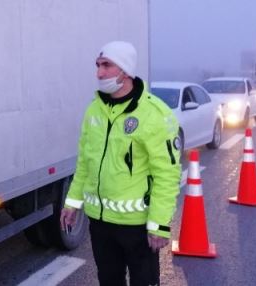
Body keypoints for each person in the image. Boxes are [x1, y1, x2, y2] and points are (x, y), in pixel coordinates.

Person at [59, 41, 181, 286]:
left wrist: (159, 224)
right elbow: (85, 163)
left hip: (137, 227)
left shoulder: (154, 114)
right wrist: (72, 203)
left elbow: (166, 174)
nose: (99, 72)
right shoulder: (94, 110)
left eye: (106, 65)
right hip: (100, 224)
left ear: (125, 71)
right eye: (98, 65)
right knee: (108, 281)